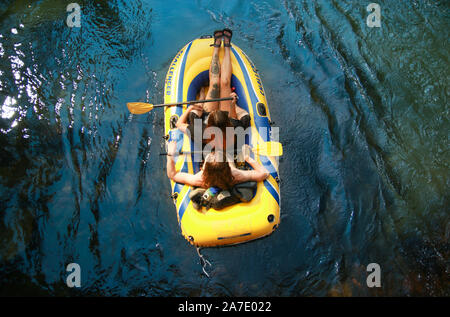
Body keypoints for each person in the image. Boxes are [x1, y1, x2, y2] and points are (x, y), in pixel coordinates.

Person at [175, 29, 250, 149]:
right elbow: (235, 117)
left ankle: (216, 48)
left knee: (215, 82)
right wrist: (232, 105)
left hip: (208, 115)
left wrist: (190, 108)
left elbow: (179, 124)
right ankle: (226, 47)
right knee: (224, 83)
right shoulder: (234, 129)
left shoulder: (202, 134)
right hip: (226, 117)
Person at [166, 141, 269, 189]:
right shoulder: (236, 175)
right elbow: (264, 173)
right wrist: (247, 158)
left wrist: (170, 155)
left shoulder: (200, 179)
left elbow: (172, 175)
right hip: (228, 180)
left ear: (204, 167)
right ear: (227, 166)